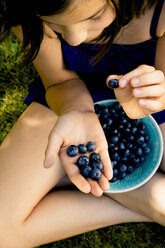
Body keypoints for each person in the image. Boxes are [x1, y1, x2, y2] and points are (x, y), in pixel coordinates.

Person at [0, 0, 165, 247]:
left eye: (95, 16)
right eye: (54, 25)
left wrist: (157, 93)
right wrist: (76, 109)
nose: (75, 39)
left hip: (148, 106)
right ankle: (140, 197)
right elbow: (58, 81)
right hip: (70, 101)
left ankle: (122, 189)